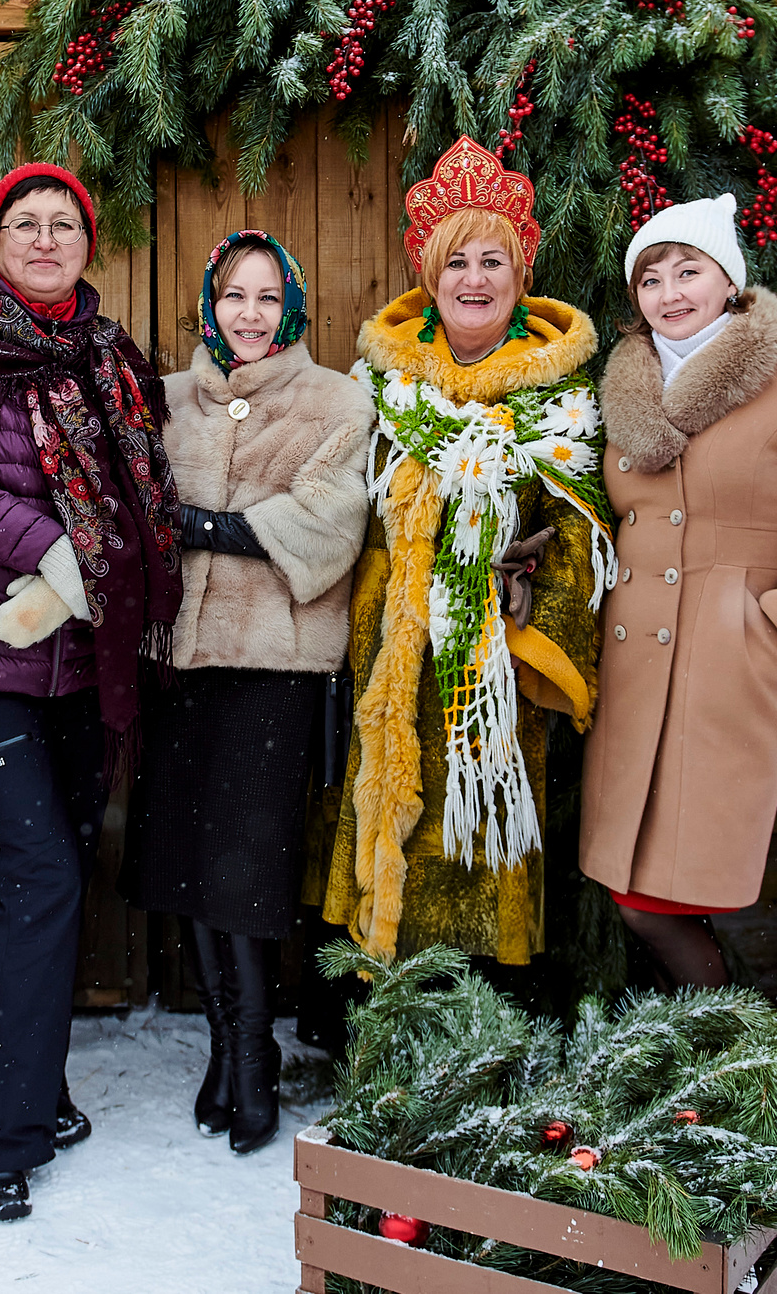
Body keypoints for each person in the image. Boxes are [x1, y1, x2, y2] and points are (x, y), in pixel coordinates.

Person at [0, 162, 183, 1222]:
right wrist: (58, 551)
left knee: (58, 876)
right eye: (27, 222)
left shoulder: (109, 353)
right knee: (41, 880)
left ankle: (35, 1085)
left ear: (85, 242)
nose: (47, 237)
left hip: (86, 662)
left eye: (65, 224)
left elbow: (143, 478)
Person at [315, 136, 614, 967]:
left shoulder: (561, 401)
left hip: (496, 674)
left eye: (492, 263)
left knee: (483, 853)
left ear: (521, 279)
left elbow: (587, 537)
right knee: (386, 835)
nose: (473, 281)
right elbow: (340, 510)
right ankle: (383, 1033)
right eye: (457, 264)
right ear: (430, 277)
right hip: (388, 661)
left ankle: (488, 1038)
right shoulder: (380, 386)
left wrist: (529, 620)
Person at [578, 194, 777, 988]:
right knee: (637, 890)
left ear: (729, 283)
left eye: (689, 271)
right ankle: (707, 1063)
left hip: (727, 673)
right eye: (651, 279)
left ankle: (724, 1061)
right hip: (636, 672)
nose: (670, 293)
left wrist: (770, 631)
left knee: (668, 895)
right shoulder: (626, 392)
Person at [122, 231, 374, 1155]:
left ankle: (256, 1056)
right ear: (209, 305)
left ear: (293, 308)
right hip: (181, 661)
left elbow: (329, 521)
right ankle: (226, 1051)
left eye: (268, 298)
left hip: (275, 666)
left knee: (245, 870)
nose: (250, 315)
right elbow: (125, 498)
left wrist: (200, 526)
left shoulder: (336, 400)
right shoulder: (167, 400)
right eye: (234, 296)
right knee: (187, 863)